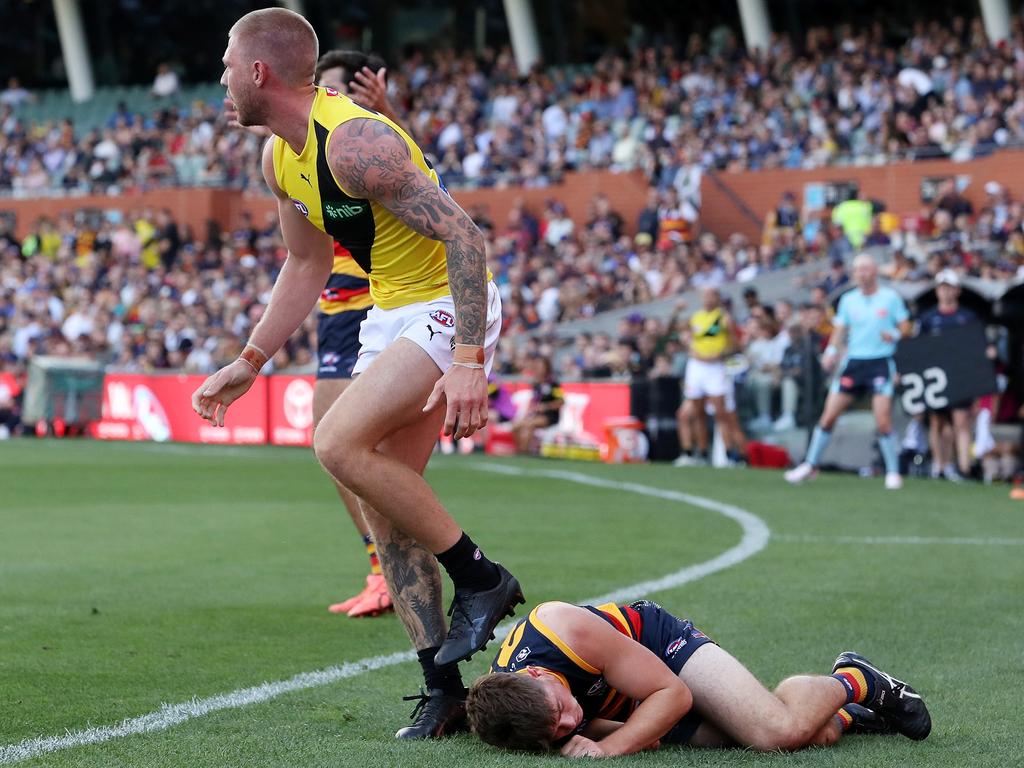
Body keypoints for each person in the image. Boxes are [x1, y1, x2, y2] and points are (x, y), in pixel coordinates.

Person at [193, 8, 523, 738]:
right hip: (389, 312)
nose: (219, 79)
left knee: (335, 443)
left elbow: (467, 237)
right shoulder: (277, 155)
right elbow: (307, 262)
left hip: (446, 302)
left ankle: (483, 578)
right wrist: (250, 360)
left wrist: (470, 361)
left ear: (259, 73)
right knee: (384, 505)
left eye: (225, 65)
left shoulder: (353, 141)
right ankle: (444, 690)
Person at [466, 599, 930, 756]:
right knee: (811, 736)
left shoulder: (562, 629)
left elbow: (671, 694)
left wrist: (608, 747)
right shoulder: (519, 715)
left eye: (561, 711)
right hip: (618, 697)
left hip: (658, 651)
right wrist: (588, 734)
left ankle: (858, 678)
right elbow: (625, 733)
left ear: (536, 673)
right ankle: (850, 715)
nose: (569, 722)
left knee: (776, 733)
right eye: (558, 731)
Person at [786, 254, 912, 489]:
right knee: (828, 416)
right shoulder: (848, 300)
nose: (861, 274)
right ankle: (810, 464)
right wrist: (832, 351)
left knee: (883, 419)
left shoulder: (890, 298)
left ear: (874, 272)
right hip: (854, 362)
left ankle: (893, 471)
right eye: (857, 270)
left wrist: (894, 335)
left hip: (880, 362)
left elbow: (906, 326)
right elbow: (840, 330)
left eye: (865, 269)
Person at [917, 269, 979, 481]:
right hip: (936, 377)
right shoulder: (928, 319)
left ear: (957, 290)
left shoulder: (967, 318)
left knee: (961, 421)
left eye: (949, 287)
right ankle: (940, 465)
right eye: (942, 287)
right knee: (937, 422)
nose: (945, 292)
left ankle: (963, 466)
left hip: (960, 376)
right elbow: (919, 349)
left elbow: (977, 349)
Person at [673, 288, 738, 466]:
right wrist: (676, 311)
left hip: (716, 368)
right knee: (697, 412)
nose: (707, 299)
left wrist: (720, 354)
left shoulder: (723, 318)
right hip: (697, 367)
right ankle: (700, 453)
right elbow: (671, 330)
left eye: (711, 295)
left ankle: (730, 453)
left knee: (721, 412)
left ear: (717, 298)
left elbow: (735, 345)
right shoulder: (696, 317)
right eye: (704, 296)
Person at [511, 356, 564, 454]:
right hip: (536, 415)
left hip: (550, 416)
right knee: (516, 425)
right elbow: (534, 401)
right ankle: (520, 450)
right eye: (537, 366)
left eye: (540, 365)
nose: (538, 368)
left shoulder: (553, 384)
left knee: (529, 425)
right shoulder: (536, 384)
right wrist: (530, 410)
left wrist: (546, 406)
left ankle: (524, 452)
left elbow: (561, 402)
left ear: (546, 367)